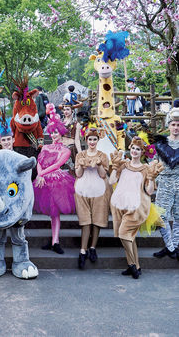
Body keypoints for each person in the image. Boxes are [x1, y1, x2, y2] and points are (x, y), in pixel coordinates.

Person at [109, 137, 163, 279]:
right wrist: (114, 166)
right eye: (133, 148)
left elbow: (150, 191)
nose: (134, 151)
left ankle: (132, 265)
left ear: (142, 152)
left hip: (137, 207)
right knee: (130, 238)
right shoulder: (123, 164)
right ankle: (135, 266)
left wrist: (151, 177)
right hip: (120, 206)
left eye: (138, 149)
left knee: (123, 234)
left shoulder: (146, 168)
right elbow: (111, 181)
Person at [33, 104, 75, 254]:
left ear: (61, 133)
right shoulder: (44, 148)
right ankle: (53, 240)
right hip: (43, 180)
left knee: (55, 213)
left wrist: (42, 174)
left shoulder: (65, 150)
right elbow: (39, 162)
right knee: (51, 214)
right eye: (52, 132)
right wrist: (39, 174)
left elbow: (58, 164)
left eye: (56, 132)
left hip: (57, 181)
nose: (54, 135)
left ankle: (55, 241)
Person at [74, 128, 111, 269]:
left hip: (99, 190)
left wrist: (99, 164)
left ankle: (93, 247)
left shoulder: (103, 155)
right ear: (86, 140)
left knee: (96, 221)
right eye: (90, 139)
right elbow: (78, 173)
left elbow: (103, 175)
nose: (92, 142)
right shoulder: (80, 155)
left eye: (94, 139)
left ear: (98, 140)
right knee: (85, 221)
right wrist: (83, 164)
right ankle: (82, 250)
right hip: (83, 190)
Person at [153, 105, 179, 260]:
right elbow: (153, 163)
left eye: (178, 125)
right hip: (164, 182)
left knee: (178, 217)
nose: (176, 127)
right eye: (173, 124)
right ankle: (169, 246)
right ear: (168, 125)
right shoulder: (160, 144)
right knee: (161, 217)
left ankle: (175, 246)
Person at [61, 103, 82, 172]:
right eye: (64, 110)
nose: (65, 111)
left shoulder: (76, 124)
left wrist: (80, 153)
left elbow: (77, 140)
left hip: (71, 149)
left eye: (67, 109)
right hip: (61, 149)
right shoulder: (60, 122)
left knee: (71, 171)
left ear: (72, 110)